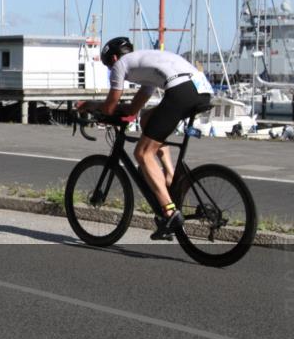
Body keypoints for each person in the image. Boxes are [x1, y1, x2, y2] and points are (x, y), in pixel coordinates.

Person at [79, 37, 213, 240]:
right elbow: (134, 110)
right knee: (147, 120)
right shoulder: (144, 63)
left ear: (114, 58)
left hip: (180, 90)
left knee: (142, 153)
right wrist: (120, 112)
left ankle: (169, 213)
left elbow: (109, 107)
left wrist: (91, 105)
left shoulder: (120, 64)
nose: (110, 69)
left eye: (108, 65)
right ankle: (169, 174)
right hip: (200, 89)